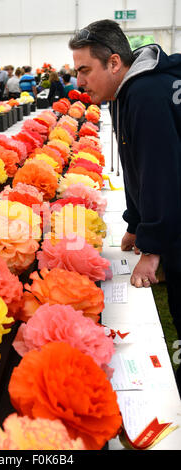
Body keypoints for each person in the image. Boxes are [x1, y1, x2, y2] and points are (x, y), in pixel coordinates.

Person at [69, 19, 181, 391]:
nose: (80, 81)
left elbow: (161, 174)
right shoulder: (129, 92)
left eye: (85, 70)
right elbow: (135, 164)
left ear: (114, 63)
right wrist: (134, 223)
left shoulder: (146, 95)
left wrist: (153, 248)